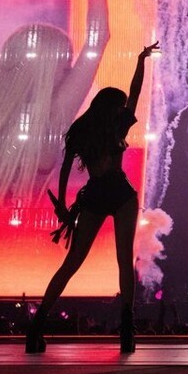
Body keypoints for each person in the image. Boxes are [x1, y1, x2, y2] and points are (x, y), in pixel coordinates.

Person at [25, 42, 160, 354]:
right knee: (123, 261)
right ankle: (127, 331)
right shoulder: (116, 124)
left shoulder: (82, 128)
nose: (124, 107)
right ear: (113, 106)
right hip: (119, 193)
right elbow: (135, 92)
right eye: (121, 104)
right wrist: (140, 60)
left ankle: (36, 327)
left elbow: (65, 167)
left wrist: (62, 203)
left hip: (97, 193)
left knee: (72, 262)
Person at [0, 0, 110, 208]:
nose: (72, 74)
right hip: (16, 230)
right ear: (43, 73)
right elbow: (98, 39)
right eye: (65, 67)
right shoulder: (49, 121)